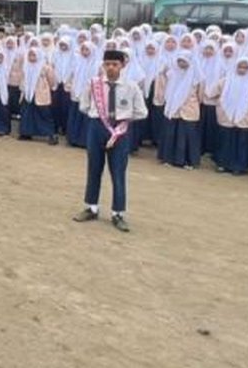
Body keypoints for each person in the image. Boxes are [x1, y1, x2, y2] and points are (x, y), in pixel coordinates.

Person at [73, 50, 148, 233]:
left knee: (118, 172)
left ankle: (118, 213)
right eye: (107, 64)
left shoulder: (131, 87)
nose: (111, 68)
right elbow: (83, 105)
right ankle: (91, 207)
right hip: (96, 127)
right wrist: (98, 117)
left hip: (120, 132)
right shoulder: (94, 84)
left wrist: (123, 119)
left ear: (123, 65)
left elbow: (142, 112)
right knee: (94, 168)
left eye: (115, 64)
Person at [209, 59, 248, 175]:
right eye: (240, 67)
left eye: (245, 67)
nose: (242, 70)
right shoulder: (225, 81)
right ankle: (222, 164)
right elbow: (212, 93)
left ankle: (239, 166)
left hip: (244, 116)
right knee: (225, 140)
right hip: (226, 115)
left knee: (241, 142)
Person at [156, 51, 203, 170]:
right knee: (171, 133)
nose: (182, 64)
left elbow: (200, 95)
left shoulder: (197, 77)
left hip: (189, 109)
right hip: (173, 108)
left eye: (184, 61)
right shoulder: (172, 73)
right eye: (180, 61)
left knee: (187, 135)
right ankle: (168, 158)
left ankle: (187, 161)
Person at [18, 46, 57, 144]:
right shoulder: (26, 66)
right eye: (30, 55)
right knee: (27, 114)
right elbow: (22, 79)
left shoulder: (45, 67)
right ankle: (26, 133)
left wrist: (47, 88)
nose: (31, 58)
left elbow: (52, 80)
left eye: (34, 55)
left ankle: (50, 134)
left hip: (41, 95)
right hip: (27, 94)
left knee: (44, 115)